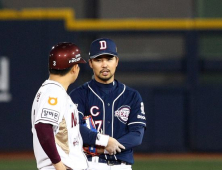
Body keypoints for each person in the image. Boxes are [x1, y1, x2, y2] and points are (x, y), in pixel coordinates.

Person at [31, 42, 124, 170]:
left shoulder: (52, 91)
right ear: (75, 68)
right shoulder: (54, 93)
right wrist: (59, 166)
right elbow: (43, 128)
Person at [69, 38, 146, 170]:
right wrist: (104, 141)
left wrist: (105, 148)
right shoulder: (79, 95)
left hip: (122, 166)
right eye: (99, 60)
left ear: (116, 61)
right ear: (91, 63)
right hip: (90, 164)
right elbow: (74, 129)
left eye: (109, 59)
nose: (104, 64)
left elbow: (137, 135)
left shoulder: (132, 96)